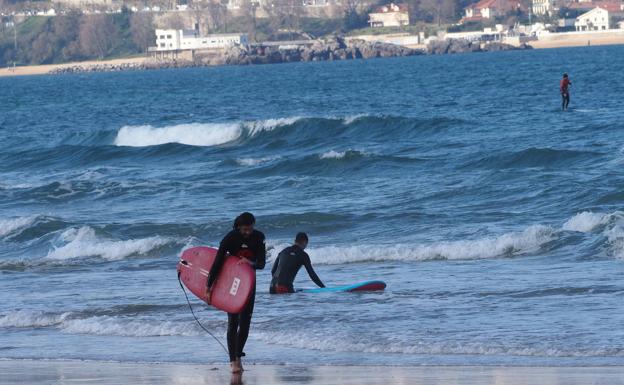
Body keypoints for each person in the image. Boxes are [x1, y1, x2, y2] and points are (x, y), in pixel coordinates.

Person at [206, 212, 266, 373]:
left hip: (249, 284)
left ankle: (238, 355)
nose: (248, 232)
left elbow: (261, 264)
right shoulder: (230, 238)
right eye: (245, 229)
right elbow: (218, 262)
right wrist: (209, 286)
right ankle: (233, 361)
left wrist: (250, 262)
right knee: (233, 322)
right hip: (231, 283)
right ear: (239, 227)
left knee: (245, 323)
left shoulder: (258, 237)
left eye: (250, 229)